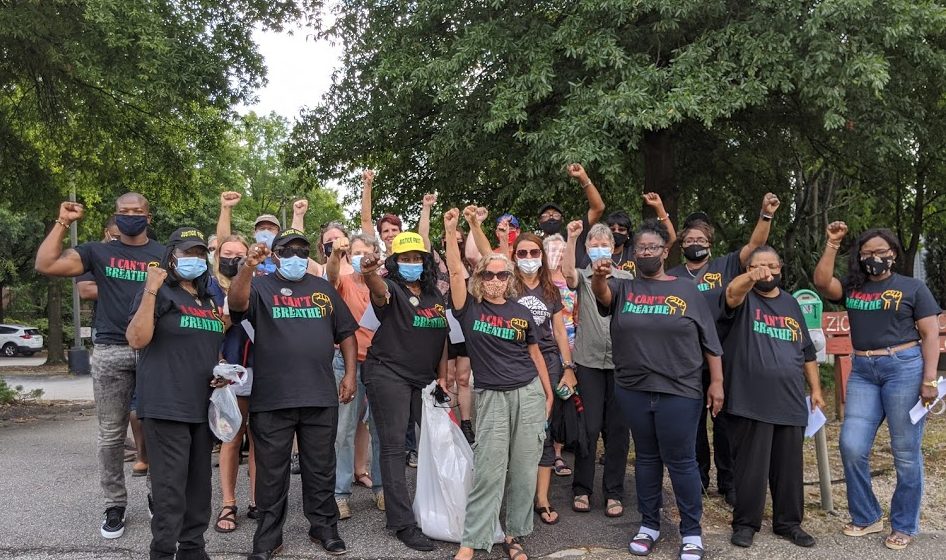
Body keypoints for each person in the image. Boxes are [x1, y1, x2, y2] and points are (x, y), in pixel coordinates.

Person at [35, 193, 166, 539]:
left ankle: (158, 496)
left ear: (148, 217)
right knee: (110, 434)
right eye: (124, 211)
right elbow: (46, 264)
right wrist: (63, 222)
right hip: (110, 348)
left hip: (154, 349)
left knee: (156, 428)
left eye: (137, 211)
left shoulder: (163, 253)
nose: (130, 216)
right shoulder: (98, 252)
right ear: (116, 216)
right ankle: (114, 504)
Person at [592, 219, 723, 560]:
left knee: (681, 461)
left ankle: (691, 532)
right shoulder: (624, 288)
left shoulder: (687, 290)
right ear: (634, 254)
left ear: (665, 252)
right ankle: (649, 524)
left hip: (680, 390)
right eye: (641, 248)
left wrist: (717, 383)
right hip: (633, 389)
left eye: (653, 247)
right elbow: (602, 295)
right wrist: (599, 277)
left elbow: (710, 342)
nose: (647, 252)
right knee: (647, 458)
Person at [228, 228, 359, 559]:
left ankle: (324, 528)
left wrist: (350, 375)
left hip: (319, 394)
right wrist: (247, 267)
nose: (296, 257)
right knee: (271, 473)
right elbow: (236, 305)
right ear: (275, 256)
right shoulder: (260, 286)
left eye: (302, 251)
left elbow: (346, 332)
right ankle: (268, 536)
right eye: (288, 251)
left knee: (321, 468)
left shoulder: (322, 288)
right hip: (273, 397)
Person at [814, 222, 942, 551]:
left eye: (881, 252)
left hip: (904, 368)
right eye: (867, 253)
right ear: (859, 257)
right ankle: (867, 515)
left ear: (893, 254)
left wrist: (930, 379)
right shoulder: (854, 288)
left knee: (905, 452)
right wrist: (832, 243)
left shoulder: (913, 288)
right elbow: (822, 283)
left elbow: (930, 334)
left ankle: (904, 525)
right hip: (863, 371)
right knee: (851, 445)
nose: (874, 258)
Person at [445, 207, 553, 560]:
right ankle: (472, 540)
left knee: (523, 470)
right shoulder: (469, 308)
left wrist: (548, 393)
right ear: (480, 277)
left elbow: (535, 353)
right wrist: (452, 230)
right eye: (488, 274)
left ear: (509, 278)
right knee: (489, 471)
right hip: (491, 396)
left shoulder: (521, 311)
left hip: (528, 393)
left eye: (501, 274)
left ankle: (514, 534)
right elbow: (455, 270)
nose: (495, 279)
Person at [666, 193, 780, 503]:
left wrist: (766, 215)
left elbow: (754, 246)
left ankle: (729, 482)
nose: (695, 243)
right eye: (689, 239)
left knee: (726, 422)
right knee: (693, 424)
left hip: (725, 355)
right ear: (681, 244)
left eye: (701, 239)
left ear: (710, 243)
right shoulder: (672, 275)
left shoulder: (726, 265)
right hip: (685, 360)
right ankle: (699, 479)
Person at [125, 227, 225, 560]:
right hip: (166, 404)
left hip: (202, 406)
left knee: (199, 486)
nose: (194, 259)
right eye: (186, 253)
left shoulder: (207, 299)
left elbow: (209, 346)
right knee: (170, 489)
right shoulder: (159, 292)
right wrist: (151, 289)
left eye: (200, 253)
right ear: (170, 256)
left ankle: (193, 549)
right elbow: (136, 339)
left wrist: (221, 372)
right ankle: (163, 551)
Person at [721, 246, 825, 549]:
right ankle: (745, 524)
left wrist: (816, 390)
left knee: (789, 469)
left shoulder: (791, 303)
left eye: (772, 265)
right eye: (758, 266)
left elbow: (807, 351)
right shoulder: (743, 298)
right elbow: (731, 292)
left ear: (781, 268)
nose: (766, 271)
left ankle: (789, 523)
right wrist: (751, 277)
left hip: (790, 400)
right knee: (750, 469)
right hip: (751, 400)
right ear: (747, 270)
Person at [358, 231, 449, 551]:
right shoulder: (392, 288)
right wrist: (369, 273)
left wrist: (443, 377)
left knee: (439, 440)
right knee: (394, 446)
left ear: (425, 261)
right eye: (405, 258)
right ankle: (402, 522)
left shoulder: (435, 294)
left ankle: (441, 508)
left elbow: (442, 338)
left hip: (425, 379)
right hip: (388, 373)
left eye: (417, 258)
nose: (412, 263)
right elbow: (378, 292)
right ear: (395, 262)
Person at [562, 221, 631, 518]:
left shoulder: (627, 278)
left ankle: (614, 492)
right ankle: (582, 488)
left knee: (617, 430)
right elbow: (567, 273)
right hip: (588, 362)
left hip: (621, 364)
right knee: (588, 429)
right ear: (588, 249)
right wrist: (572, 237)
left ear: (613, 248)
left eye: (605, 244)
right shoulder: (582, 275)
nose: (600, 248)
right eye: (594, 244)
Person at [508, 231, 577, 526]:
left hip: (548, 361)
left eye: (534, 253)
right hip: (515, 361)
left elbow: (559, 331)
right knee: (515, 431)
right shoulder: (507, 285)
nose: (528, 258)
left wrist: (568, 367)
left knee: (542, 429)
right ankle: (516, 496)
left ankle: (542, 498)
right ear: (514, 257)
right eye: (522, 253)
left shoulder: (551, 289)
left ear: (542, 256)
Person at [325, 233, 385, 519]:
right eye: (356, 252)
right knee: (343, 430)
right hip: (346, 363)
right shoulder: (344, 282)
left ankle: (382, 488)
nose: (361, 257)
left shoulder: (383, 284)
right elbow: (331, 275)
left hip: (380, 363)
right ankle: (340, 493)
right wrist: (335, 255)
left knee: (381, 429)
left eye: (366, 252)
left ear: (376, 255)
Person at [213, 234, 256, 534]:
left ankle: (257, 499)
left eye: (240, 254)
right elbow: (208, 329)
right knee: (231, 437)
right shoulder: (210, 287)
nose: (233, 259)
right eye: (227, 253)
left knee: (259, 439)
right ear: (218, 256)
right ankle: (228, 503)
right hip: (230, 369)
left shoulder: (259, 282)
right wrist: (228, 314)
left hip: (262, 368)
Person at [535, 163, 606, 238]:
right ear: (539, 220)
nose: (551, 217)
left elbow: (598, 208)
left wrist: (584, 178)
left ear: (562, 219)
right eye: (546, 215)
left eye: (556, 215)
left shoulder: (574, 235)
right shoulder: (532, 243)